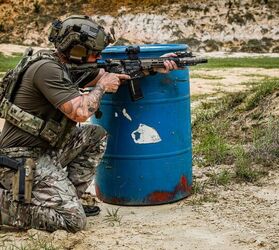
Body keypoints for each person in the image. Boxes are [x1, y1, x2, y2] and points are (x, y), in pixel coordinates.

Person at [0, 15, 178, 232]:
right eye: (94, 53)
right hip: (21, 158)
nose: (98, 57)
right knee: (72, 222)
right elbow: (81, 112)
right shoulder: (47, 70)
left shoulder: (63, 65)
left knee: (95, 136)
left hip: (45, 149)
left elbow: (112, 72)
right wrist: (102, 87)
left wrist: (155, 65)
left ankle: (68, 198)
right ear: (77, 51)